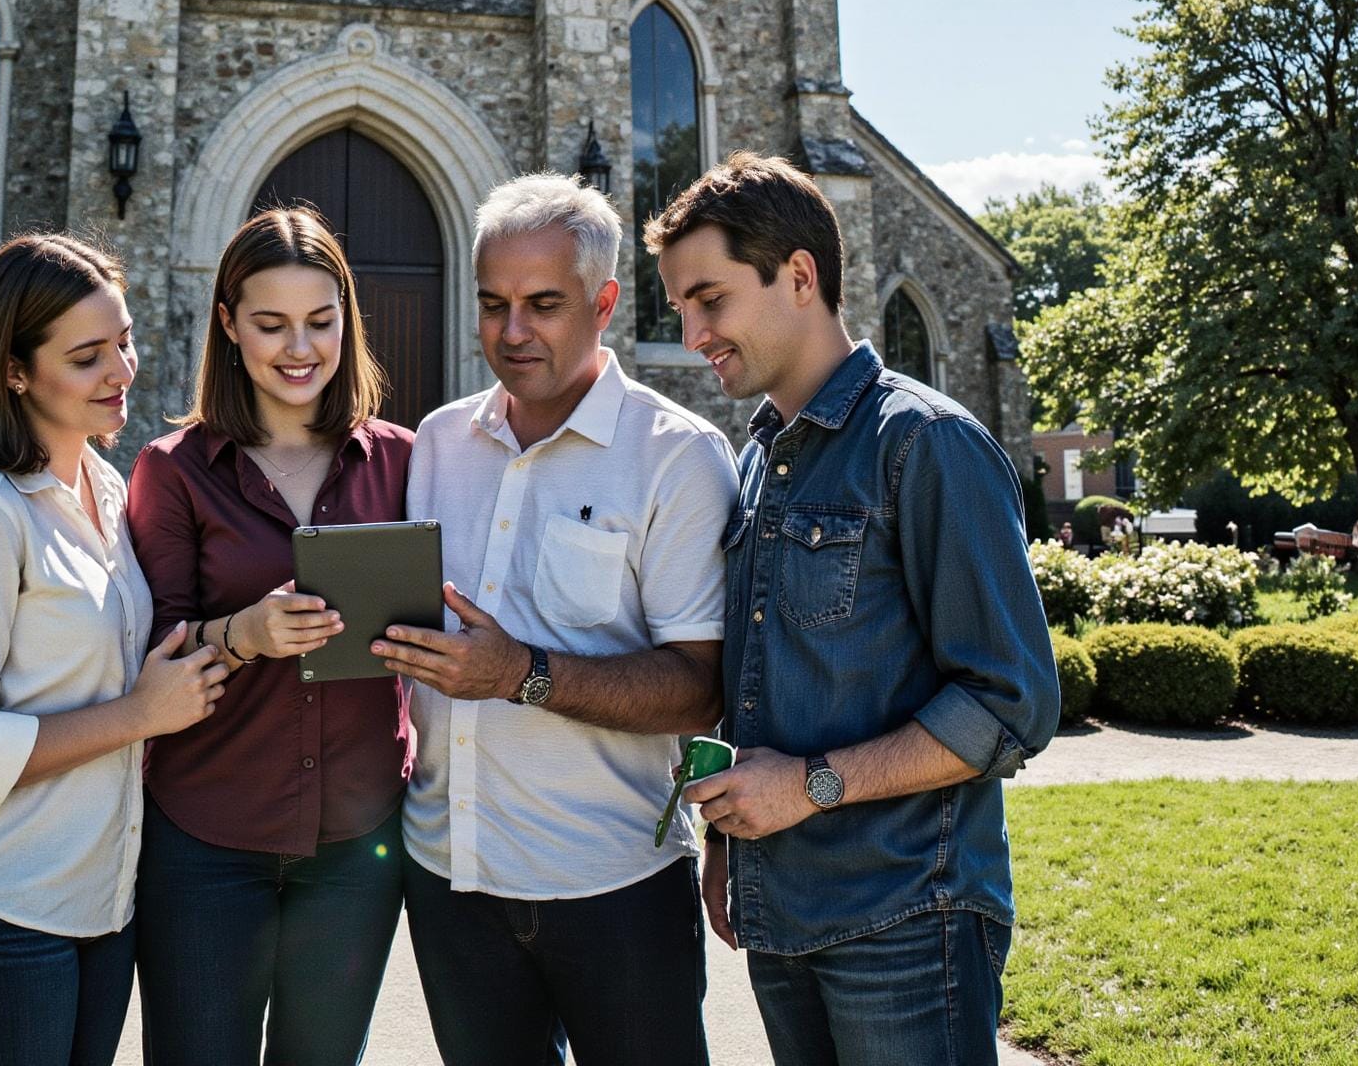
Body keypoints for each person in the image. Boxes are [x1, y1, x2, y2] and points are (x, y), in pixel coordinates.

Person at [649, 154, 1062, 1066]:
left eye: (708, 300)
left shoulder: (928, 444)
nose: (691, 333)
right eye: (681, 307)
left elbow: (1012, 705)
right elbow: (765, 677)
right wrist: (730, 844)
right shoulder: (758, 459)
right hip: (784, 918)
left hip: (908, 924)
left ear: (799, 276)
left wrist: (807, 786)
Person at [375, 173, 739, 1066]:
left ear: (605, 301)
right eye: (493, 303)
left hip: (612, 887)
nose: (512, 331)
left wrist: (522, 673)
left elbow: (703, 690)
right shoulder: (436, 444)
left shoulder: (678, 457)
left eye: (543, 304)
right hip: (447, 876)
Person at [0, 233, 228, 1066]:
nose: (122, 370)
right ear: (13, 370)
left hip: (94, 905)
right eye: (87, 356)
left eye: (125, 340)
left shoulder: (104, 487)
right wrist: (139, 717)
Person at [126, 206, 415, 1066]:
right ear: (227, 324)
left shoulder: (406, 461)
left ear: (347, 321)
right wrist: (243, 634)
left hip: (357, 850)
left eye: (321, 322)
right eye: (271, 324)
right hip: (206, 838)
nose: (300, 348)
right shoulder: (172, 469)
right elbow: (154, 649)